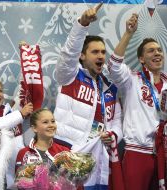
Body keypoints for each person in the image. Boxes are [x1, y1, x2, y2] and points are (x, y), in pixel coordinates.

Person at [53, 3, 123, 189]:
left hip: (97, 157)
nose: (100, 56)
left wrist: (113, 134)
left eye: (103, 52)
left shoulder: (110, 87)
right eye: (95, 52)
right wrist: (82, 25)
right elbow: (68, 54)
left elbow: (116, 120)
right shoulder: (70, 76)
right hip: (68, 151)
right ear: (82, 56)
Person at [107, 13, 166, 190]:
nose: (157, 53)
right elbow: (113, 66)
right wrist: (128, 33)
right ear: (141, 59)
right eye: (151, 50)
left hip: (164, 154)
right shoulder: (131, 80)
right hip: (137, 152)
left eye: (159, 50)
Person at [0, 78, 33, 188]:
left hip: (17, 170)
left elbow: (22, 93)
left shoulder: (9, 110)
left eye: (0, 91)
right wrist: (20, 115)